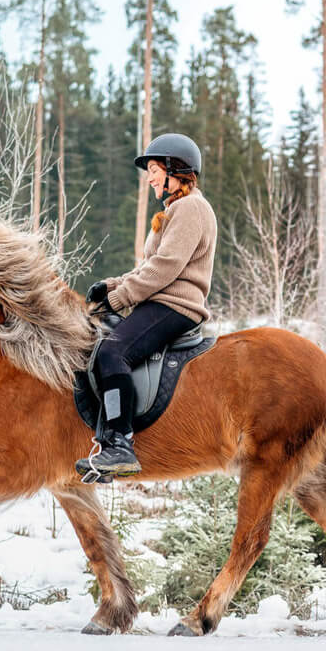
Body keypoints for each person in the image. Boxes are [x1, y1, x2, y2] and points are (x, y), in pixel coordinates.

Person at [76, 133, 218, 480]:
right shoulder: (174, 210)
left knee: (112, 354)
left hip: (175, 306)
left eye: (154, 170)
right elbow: (147, 269)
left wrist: (120, 297)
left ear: (176, 170)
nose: (150, 177)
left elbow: (165, 268)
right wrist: (110, 286)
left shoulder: (191, 208)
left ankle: (120, 445)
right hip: (159, 300)